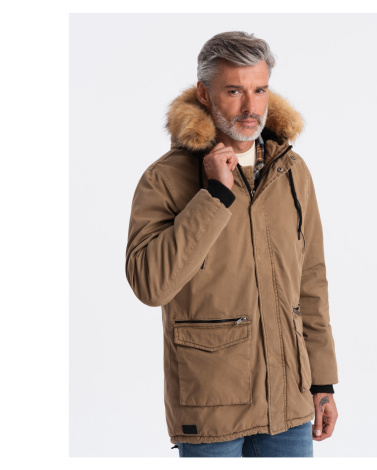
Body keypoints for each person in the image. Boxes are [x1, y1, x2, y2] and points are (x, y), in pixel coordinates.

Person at [125, 31, 339, 458]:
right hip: (211, 404)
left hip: (290, 404)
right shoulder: (165, 179)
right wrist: (214, 196)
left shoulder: (291, 171)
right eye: (234, 91)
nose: (250, 107)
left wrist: (322, 381)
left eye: (260, 90)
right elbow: (150, 285)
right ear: (205, 94)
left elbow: (311, 280)